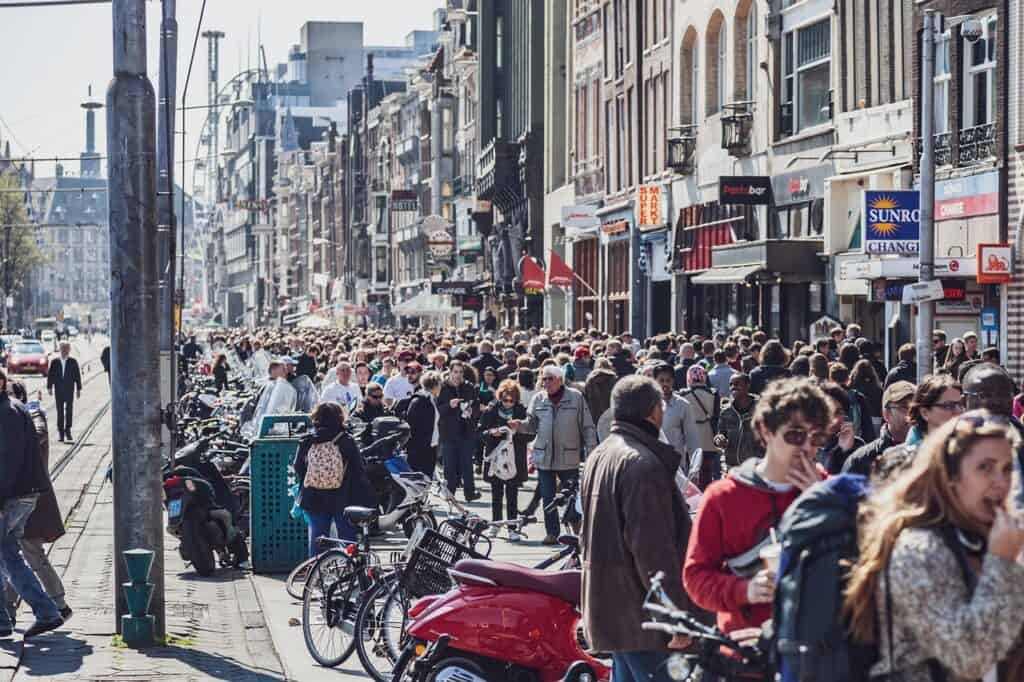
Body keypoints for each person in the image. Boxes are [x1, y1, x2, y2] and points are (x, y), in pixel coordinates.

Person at [844, 412, 1024, 681]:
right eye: (985, 468)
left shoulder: (990, 540)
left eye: (1007, 468)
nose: (1001, 482)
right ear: (950, 477)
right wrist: (1002, 561)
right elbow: (968, 658)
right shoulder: (918, 549)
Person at [684, 377, 829, 636]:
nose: (807, 447)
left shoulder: (828, 489)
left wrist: (823, 503)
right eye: (795, 435)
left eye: (816, 437)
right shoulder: (724, 497)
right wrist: (745, 590)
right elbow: (696, 578)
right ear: (766, 431)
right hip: (747, 651)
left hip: (817, 648)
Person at [580, 376, 694, 681]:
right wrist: (674, 619)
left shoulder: (601, 455)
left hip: (616, 612)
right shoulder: (642, 465)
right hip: (643, 620)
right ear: (654, 412)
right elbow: (653, 552)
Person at [0, 368, 64, 639]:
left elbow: (7, 460)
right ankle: (3, 621)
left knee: (9, 555)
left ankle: (46, 611)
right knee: (5, 553)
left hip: (13, 495)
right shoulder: (11, 409)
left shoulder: (7, 413)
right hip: (19, 494)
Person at [511, 364, 597, 545]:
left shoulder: (576, 398)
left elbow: (587, 427)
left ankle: (577, 530)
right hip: (545, 457)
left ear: (560, 380)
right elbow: (532, 425)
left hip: (569, 457)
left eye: (550, 378)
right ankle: (552, 533)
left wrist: (592, 452)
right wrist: (520, 426)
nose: (547, 382)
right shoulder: (538, 399)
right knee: (548, 497)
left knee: (572, 497)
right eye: (544, 379)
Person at [293, 402, 376, 555]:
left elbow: (298, 467)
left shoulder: (307, 440)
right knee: (347, 538)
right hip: (342, 497)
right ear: (340, 418)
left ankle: (316, 573)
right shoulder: (346, 440)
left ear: (316, 418)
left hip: (314, 496)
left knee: (318, 537)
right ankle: (349, 572)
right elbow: (359, 469)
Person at [478, 380, 529, 541]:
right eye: (505, 399)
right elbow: (479, 433)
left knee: (512, 493)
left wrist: (517, 430)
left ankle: (512, 528)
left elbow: (531, 434)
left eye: (511, 400)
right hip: (495, 456)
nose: (508, 403)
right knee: (496, 493)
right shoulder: (491, 410)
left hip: (514, 458)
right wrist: (491, 433)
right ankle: (495, 525)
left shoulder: (521, 411)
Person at [842, 380, 915, 477]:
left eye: (915, 407)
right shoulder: (861, 460)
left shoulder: (930, 455)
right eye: (904, 407)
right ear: (886, 414)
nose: (911, 414)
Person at [438, 361, 481, 502]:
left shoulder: (469, 387)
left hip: (466, 430)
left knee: (467, 463)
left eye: (460, 372)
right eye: (455, 372)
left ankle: (470, 492)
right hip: (448, 432)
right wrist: (449, 405)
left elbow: (476, 406)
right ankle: (450, 493)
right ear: (449, 372)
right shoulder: (442, 387)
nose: (458, 375)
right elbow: (438, 409)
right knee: (449, 464)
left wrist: (471, 411)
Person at [680, 364, 721, 488]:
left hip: (690, 437)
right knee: (707, 471)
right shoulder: (713, 394)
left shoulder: (682, 394)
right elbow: (716, 416)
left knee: (691, 470)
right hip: (708, 436)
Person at [714, 372, 763, 468]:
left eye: (737, 383)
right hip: (732, 467)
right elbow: (720, 434)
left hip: (756, 467)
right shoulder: (726, 411)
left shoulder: (761, 408)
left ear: (748, 385)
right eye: (731, 384)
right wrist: (719, 440)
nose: (733, 387)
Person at [818, 381, 867, 474]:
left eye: (838, 412)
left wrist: (845, 451)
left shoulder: (857, 445)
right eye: (827, 411)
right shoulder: (807, 446)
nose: (834, 419)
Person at [906, 374, 964, 446]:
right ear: (925, 413)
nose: (959, 411)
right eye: (948, 405)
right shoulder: (911, 455)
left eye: (961, 404)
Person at [404, 372, 442, 478]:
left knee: (426, 481)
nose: (440, 387)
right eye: (439, 384)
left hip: (430, 447)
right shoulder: (419, 401)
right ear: (435, 385)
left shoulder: (432, 400)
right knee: (418, 481)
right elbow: (411, 425)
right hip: (418, 449)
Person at [653, 363, 692, 462]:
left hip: (676, 464)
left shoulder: (683, 405)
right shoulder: (648, 404)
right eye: (661, 380)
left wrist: (694, 468)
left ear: (673, 381)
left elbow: (692, 438)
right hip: (654, 461)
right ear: (655, 381)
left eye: (668, 380)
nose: (665, 384)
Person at [46, 341, 82, 443]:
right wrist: (49, 387)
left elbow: (77, 376)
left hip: (69, 390)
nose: (64, 350)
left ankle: (68, 430)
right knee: (60, 412)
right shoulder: (54, 362)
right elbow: (50, 375)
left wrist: (78, 389)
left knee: (69, 411)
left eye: (66, 348)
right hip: (58, 390)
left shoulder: (73, 362)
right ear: (60, 349)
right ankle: (61, 433)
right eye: (62, 348)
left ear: (69, 350)